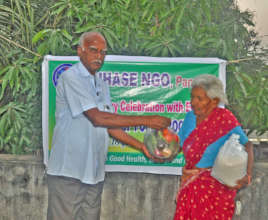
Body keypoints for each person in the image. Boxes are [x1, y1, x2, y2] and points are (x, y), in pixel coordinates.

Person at [46, 31, 171, 220]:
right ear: (80, 51)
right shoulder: (70, 77)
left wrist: (141, 147)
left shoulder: (101, 84)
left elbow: (110, 125)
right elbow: (97, 118)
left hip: (94, 173)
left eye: (103, 52)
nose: (99, 56)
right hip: (69, 172)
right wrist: (146, 120)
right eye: (94, 50)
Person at [173, 74, 254, 220]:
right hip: (189, 185)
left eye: (199, 98)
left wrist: (246, 175)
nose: (193, 102)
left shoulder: (225, 119)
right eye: (192, 97)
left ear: (214, 101)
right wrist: (163, 149)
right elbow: (180, 146)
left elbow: (247, 145)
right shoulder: (189, 118)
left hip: (216, 190)